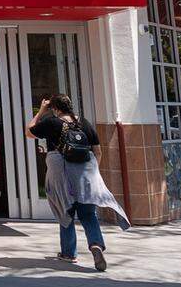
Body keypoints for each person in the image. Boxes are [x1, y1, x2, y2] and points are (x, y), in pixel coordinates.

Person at [26, 93, 129, 271]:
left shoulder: (52, 122)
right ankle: (96, 245)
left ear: (55, 108)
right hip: (85, 176)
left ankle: (68, 253)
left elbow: (29, 132)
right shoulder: (84, 123)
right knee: (88, 214)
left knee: (65, 213)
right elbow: (98, 151)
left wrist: (41, 111)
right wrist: (92, 173)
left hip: (62, 176)